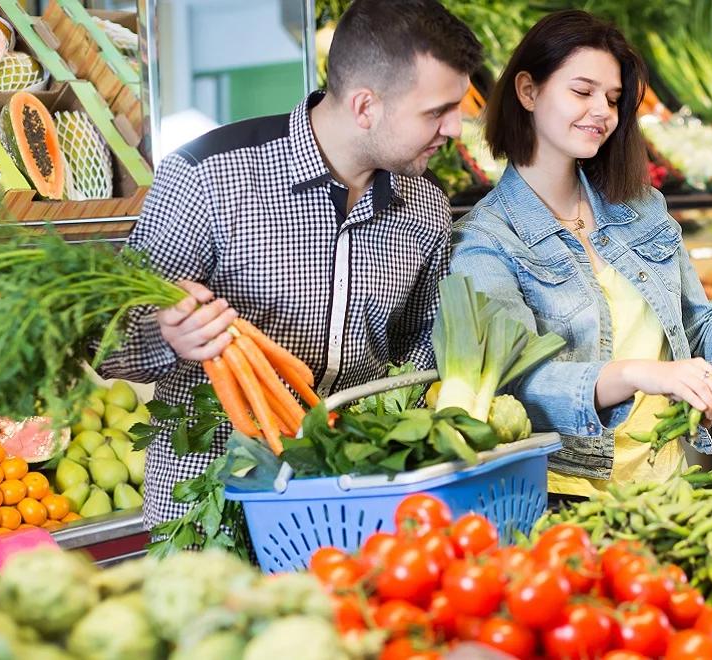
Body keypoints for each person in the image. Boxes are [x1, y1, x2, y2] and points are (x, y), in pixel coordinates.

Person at [97, 0, 483, 527]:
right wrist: (168, 337)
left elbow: (420, 338)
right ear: (365, 106)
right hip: (210, 506)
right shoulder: (206, 178)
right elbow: (108, 341)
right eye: (437, 111)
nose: (456, 129)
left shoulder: (425, 206)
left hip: (350, 498)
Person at [450, 10, 712, 503]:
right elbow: (514, 388)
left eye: (613, 99)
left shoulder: (641, 209)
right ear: (528, 90)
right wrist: (639, 373)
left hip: (670, 487)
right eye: (582, 91)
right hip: (562, 497)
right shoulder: (485, 240)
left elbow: (698, 336)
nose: (602, 110)